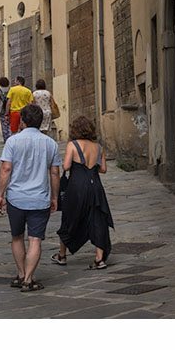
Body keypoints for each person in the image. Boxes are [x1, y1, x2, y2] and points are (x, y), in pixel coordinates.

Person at [0, 103, 62, 293]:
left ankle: (20, 273)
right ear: (40, 122)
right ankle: (29, 279)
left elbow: (6, 169)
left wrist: (0, 194)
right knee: (35, 240)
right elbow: (55, 173)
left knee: (17, 237)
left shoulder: (13, 141)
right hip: (39, 198)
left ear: (23, 121)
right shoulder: (50, 143)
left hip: (16, 198)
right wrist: (55, 197)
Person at [51, 114, 114, 270]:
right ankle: (100, 259)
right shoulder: (98, 147)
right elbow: (103, 169)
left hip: (77, 186)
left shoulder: (72, 145)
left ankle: (62, 255)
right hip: (95, 186)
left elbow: (66, 167)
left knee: (69, 218)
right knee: (98, 219)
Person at [0, 76, 11, 142]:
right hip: (10, 108)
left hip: (2, 109)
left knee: (3, 124)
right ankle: (10, 136)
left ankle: (6, 138)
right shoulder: (10, 89)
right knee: (10, 123)